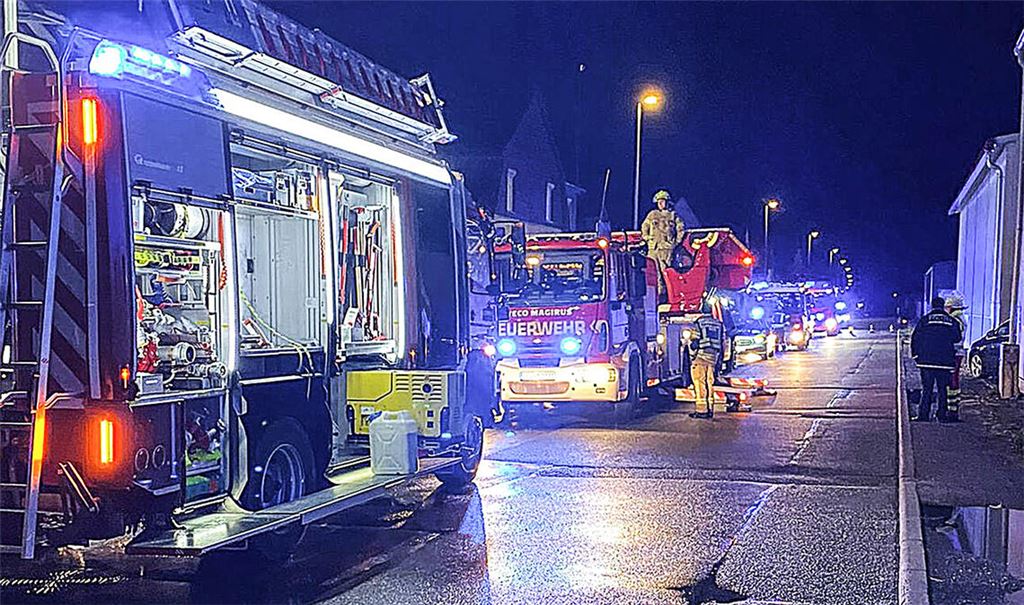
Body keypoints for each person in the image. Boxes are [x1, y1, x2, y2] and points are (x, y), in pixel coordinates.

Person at [910, 296, 963, 422]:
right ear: (943, 305)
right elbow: (957, 338)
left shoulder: (925, 320)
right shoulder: (951, 321)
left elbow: (915, 338)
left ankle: (923, 416)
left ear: (932, 306)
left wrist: (916, 355)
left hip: (926, 361)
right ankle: (942, 415)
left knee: (927, 389)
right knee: (942, 389)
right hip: (944, 362)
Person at [641, 189, 686, 299]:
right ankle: (654, 295)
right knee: (652, 272)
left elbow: (681, 229)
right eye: (659, 201)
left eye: (663, 201)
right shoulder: (652, 215)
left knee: (666, 271)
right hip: (653, 249)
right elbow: (644, 227)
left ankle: (667, 295)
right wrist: (647, 238)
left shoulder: (673, 215)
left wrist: (675, 243)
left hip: (666, 249)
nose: (661, 203)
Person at [689, 305, 724, 419]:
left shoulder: (699, 323)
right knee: (710, 383)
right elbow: (722, 342)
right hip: (713, 357)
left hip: (701, 356)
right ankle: (710, 409)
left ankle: (701, 410)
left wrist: (692, 350)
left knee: (699, 383)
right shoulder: (718, 323)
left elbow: (694, 341)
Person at [943, 293, 968, 422]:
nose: (945, 310)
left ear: (952, 308)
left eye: (947, 307)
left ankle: (951, 409)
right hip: (957, 353)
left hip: (954, 353)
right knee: (954, 379)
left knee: (952, 380)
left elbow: (953, 338)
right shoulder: (959, 319)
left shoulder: (954, 320)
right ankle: (952, 408)